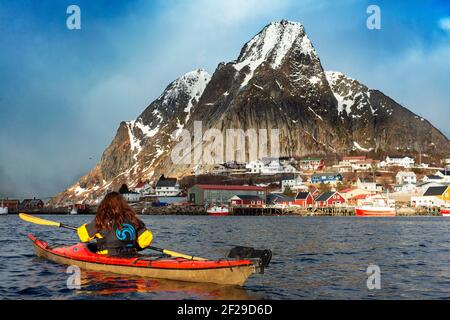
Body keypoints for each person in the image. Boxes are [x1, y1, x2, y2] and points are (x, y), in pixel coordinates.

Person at [77, 192, 153, 256]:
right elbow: (146, 240)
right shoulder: (133, 219)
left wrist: (93, 232)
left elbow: (83, 235)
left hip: (108, 257)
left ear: (104, 205)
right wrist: (136, 245)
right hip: (131, 255)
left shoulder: (101, 220)